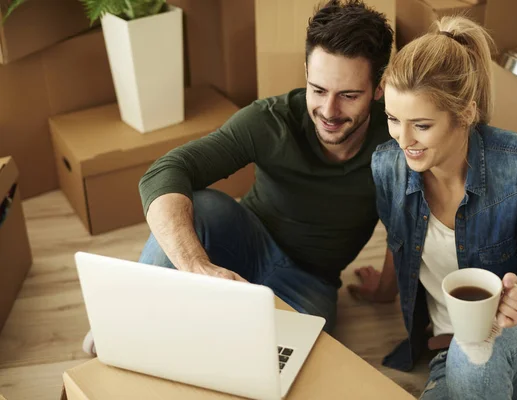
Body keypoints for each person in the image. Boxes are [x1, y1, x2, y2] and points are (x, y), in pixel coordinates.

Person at [350, 16, 517, 399]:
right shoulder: (388, 166)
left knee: (477, 350)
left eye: (421, 125)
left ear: (465, 114)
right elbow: (399, 237)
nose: (404, 139)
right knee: (470, 355)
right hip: (453, 354)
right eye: (393, 120)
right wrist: (385, 288)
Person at [135, 0, 392, 333]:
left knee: (282, 358)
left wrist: (386, 290)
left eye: (349, 95)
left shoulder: (396, 139)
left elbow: (411, 226)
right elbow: (166, 171)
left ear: (378, 88)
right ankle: (133, 314)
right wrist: (195, 266)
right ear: (306, 71)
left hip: (310, 281)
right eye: (318, 89)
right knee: (200, 206)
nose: (329, 110)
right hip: (244, 237)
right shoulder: (270, 121)